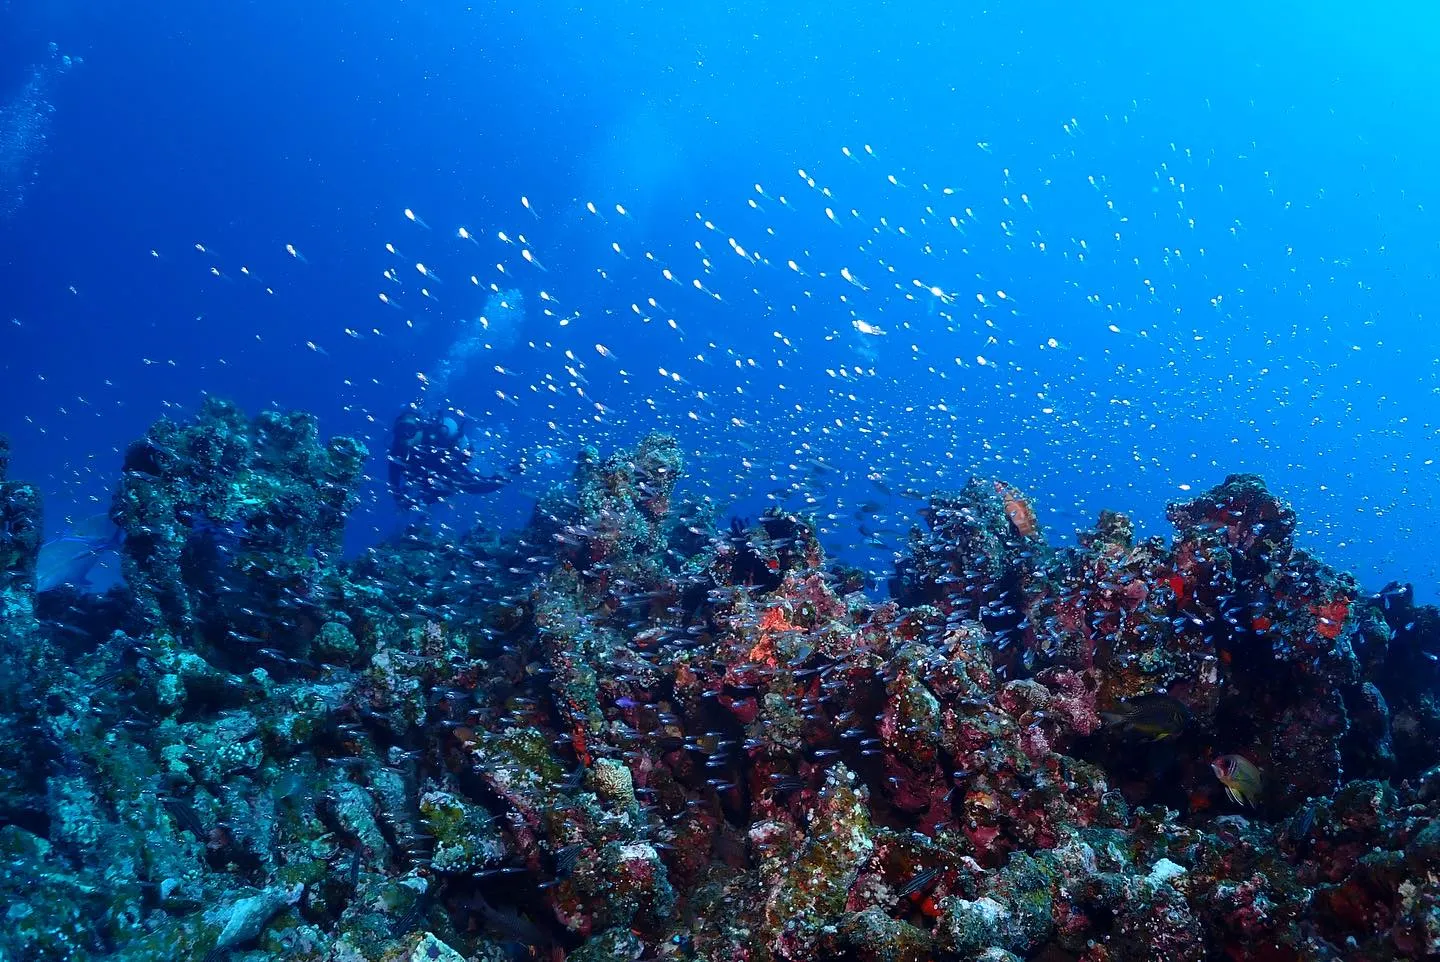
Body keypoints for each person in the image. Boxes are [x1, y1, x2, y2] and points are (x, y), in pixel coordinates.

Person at [388, 407, 512, 511]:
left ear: (419, 429)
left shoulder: (435, 445)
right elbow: (394, 482)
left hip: (450, 469)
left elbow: (458, 483)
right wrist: (401, 499)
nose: (405, 435)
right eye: (400, 430)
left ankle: (508, 473)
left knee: (467, 485)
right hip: (429, 479)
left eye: (410, 430)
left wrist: (422, 500)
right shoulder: (397, 452)